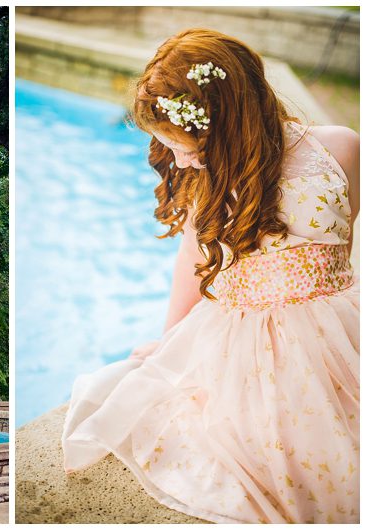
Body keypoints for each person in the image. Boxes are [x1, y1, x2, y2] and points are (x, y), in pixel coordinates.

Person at [61, 28, 359, 524]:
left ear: (232, 121)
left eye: (184, 146)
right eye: (168, 147)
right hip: (251, 341)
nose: (179, 160)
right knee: (271, 450)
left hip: (337, 321)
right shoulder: (209, 179)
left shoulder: (343, 148)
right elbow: (191, 262)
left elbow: (344, 252)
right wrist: (171, 341)